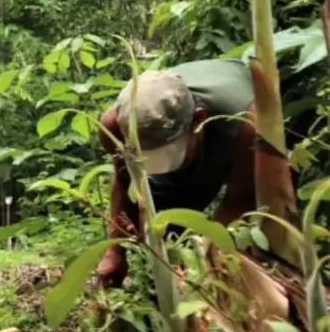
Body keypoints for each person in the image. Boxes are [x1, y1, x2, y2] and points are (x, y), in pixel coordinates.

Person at [92, 59, 258, 287]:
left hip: (231, 129)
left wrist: (206, 269)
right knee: (160, 227)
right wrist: (115, 249)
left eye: (169, 154)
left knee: (241, 245)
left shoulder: (245, 124)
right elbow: (125, 179)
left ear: (198, 120)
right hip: (196, 144)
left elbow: (240, 202)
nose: (164, 166)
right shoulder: (113, 126)